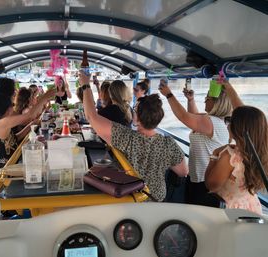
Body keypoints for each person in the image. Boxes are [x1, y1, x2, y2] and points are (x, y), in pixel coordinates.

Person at [80, 73, 188, 201]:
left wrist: (86, 85)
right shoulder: (168, 144)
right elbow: (183, 172)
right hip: (157, 199)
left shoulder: (127, 137)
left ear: (137, 119)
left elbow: (92, 116)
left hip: (132, 198)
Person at [159, 79, 232, 207]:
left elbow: (184, 117)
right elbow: (193, 117)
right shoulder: (212, 121)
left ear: (217, 103)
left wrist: (169, 95)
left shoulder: (213, 122)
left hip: (205, 183)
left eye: (208, 97)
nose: (205, 98)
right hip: (198, 179)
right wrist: (191, 100)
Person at [205, 106, 268, 215]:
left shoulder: (230, 157)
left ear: (237, 128)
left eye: (230, 121)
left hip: (232, 211)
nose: (228, 125)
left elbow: (211, 186)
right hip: (252, 207)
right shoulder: (263, 153)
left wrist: (214, 155)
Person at [0, 88, 55, 183]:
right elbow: (29, 116)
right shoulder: (2, 123)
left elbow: (14, 139)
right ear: (9, 109)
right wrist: (44, 98)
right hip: (2, 176)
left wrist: (30, 126)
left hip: (8, 168)